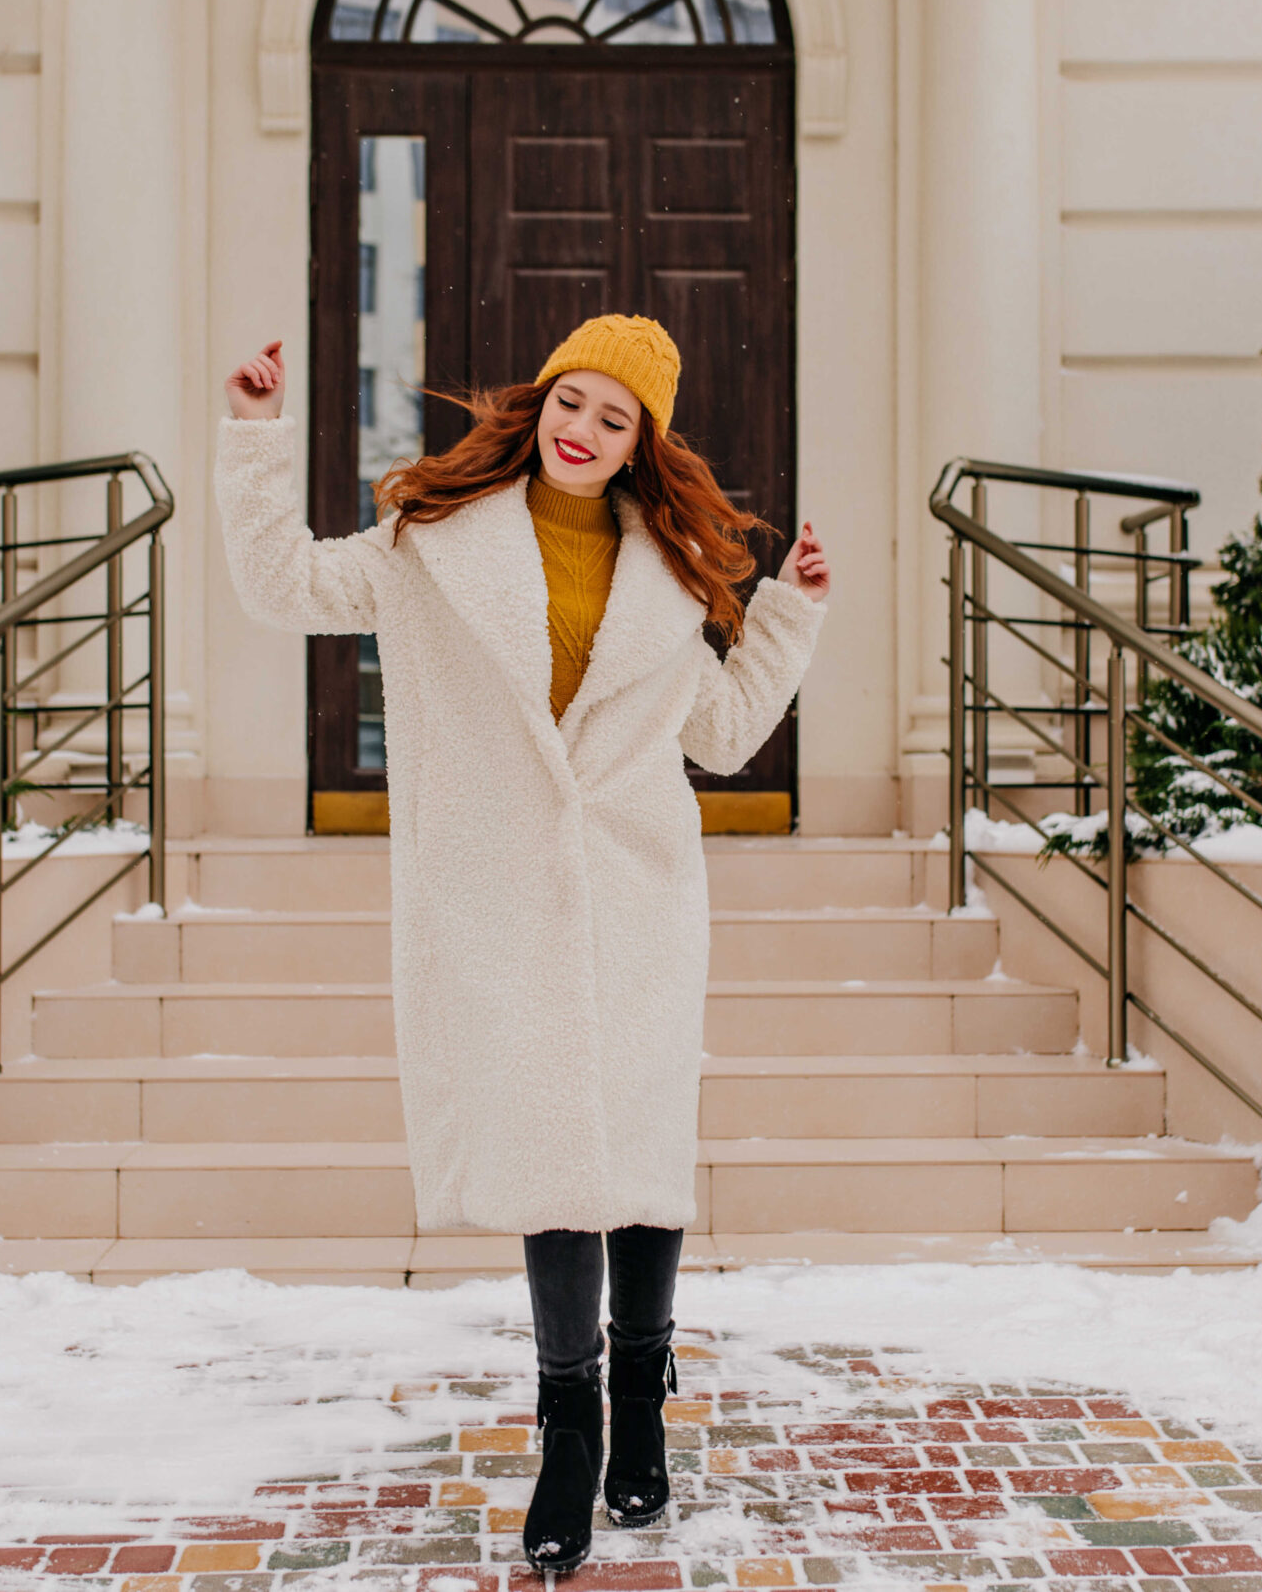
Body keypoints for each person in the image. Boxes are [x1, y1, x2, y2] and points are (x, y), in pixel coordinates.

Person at [217, 314, 830, 1569]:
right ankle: (570, 1433)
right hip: (499, 897)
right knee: (557, 1159)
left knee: (643, 1155)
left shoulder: (667, 564)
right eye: (573, 402)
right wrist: (253, 433)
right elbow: (279, 584)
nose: (583, 432)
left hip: (638, 887)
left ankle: (643, 1406)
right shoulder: (431, 541)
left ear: (640, 443)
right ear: (538, 399)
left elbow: (719, 735)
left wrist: (785, 618)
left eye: (616, 419)